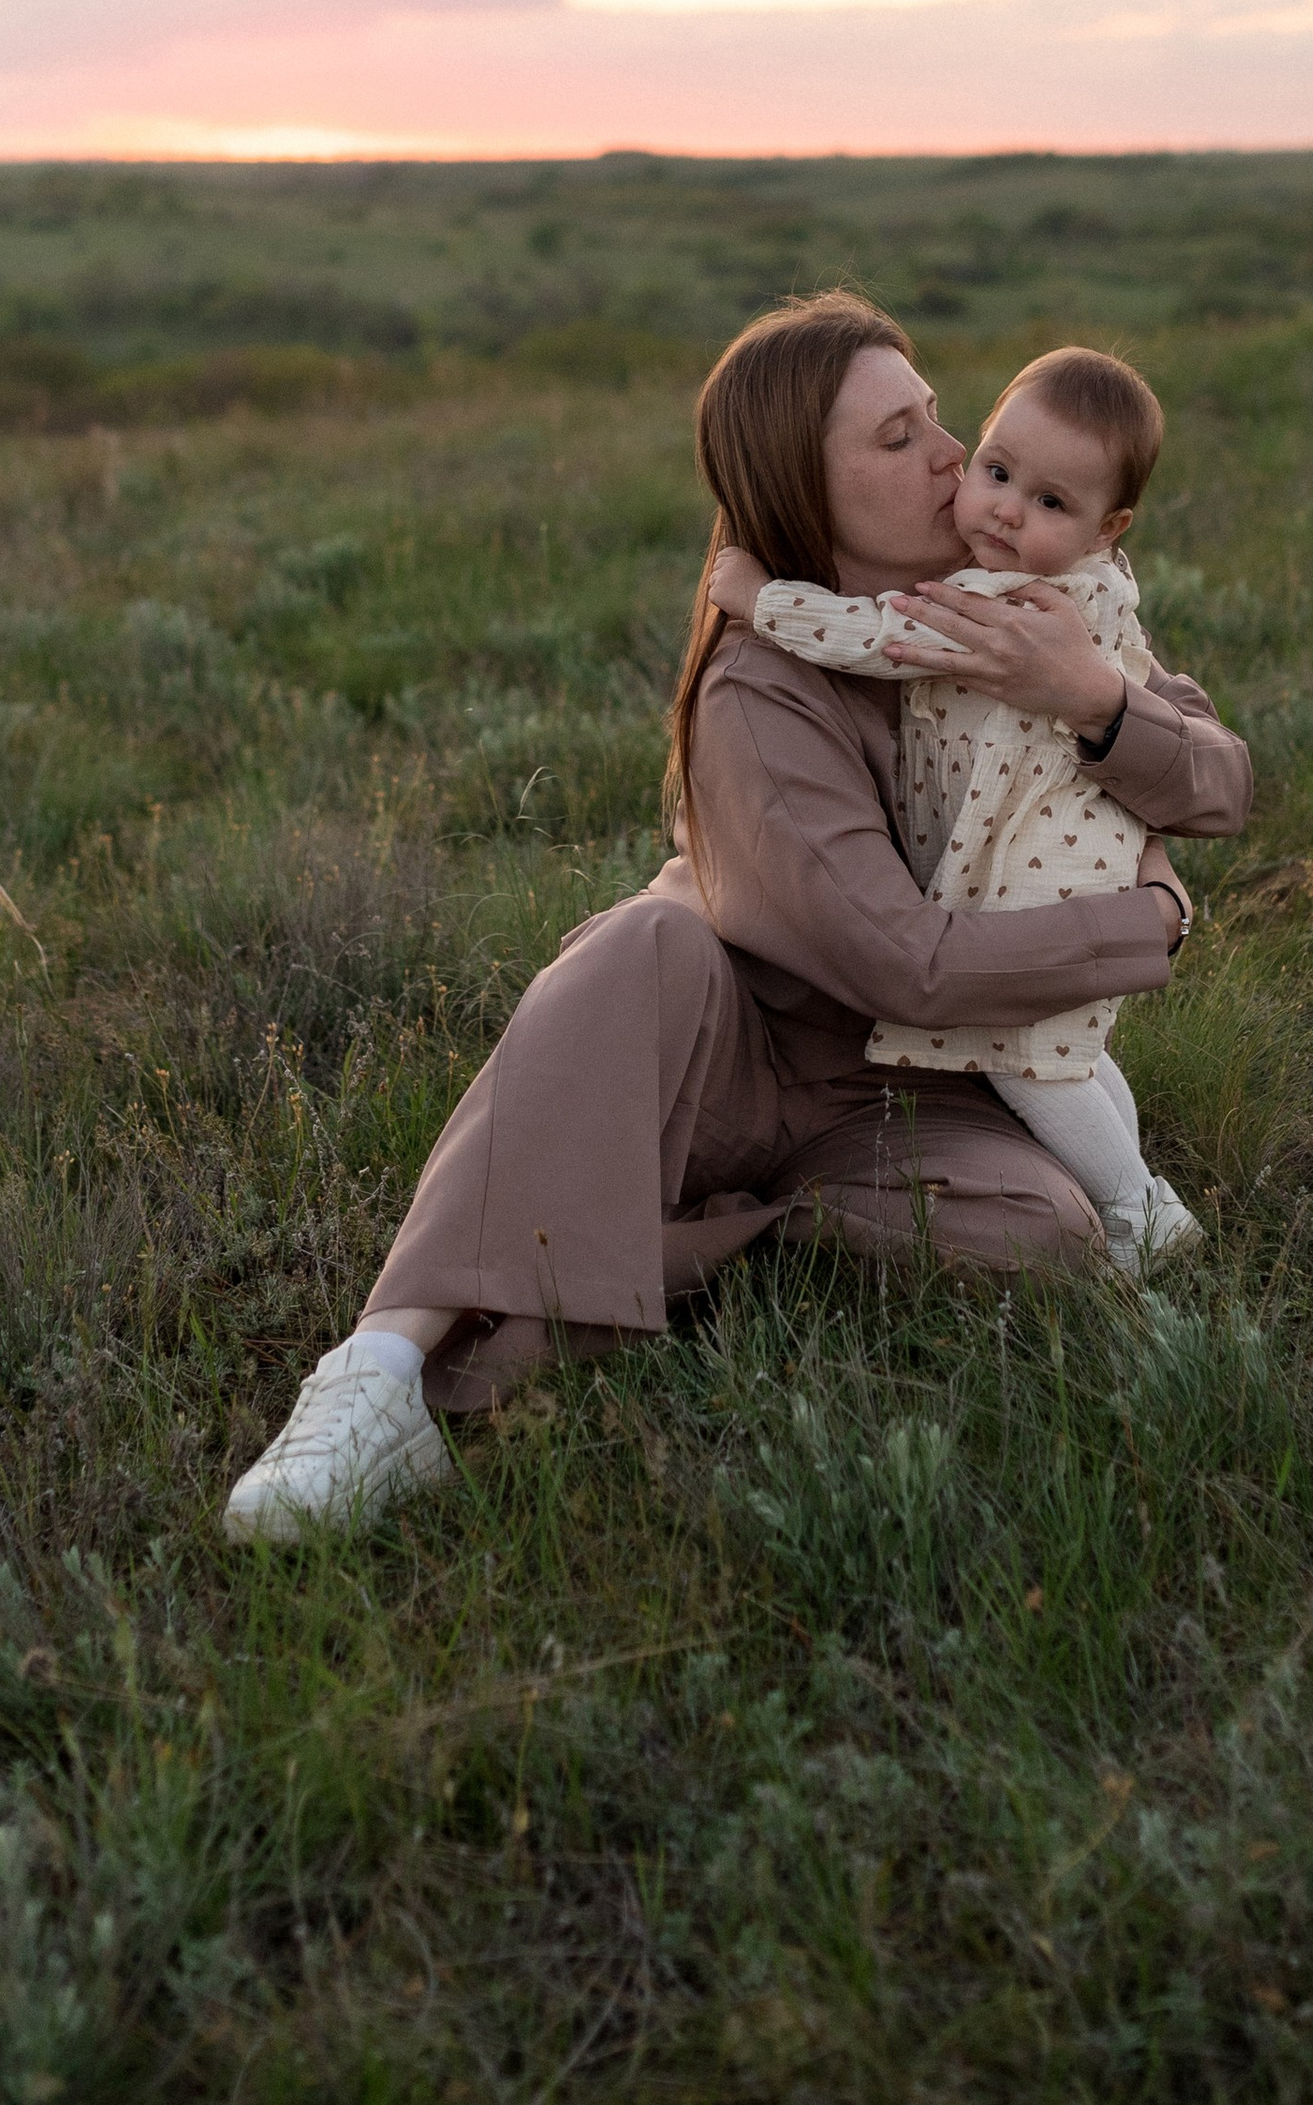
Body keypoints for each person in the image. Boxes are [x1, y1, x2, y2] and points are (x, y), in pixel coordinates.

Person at [222, 292, 1252, 1546]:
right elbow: (903, 962)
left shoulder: (1021, 606)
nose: (946, 455)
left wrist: (1092, 700)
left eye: (936, 418)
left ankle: (690, 1240)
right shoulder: (762, 686)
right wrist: (1150, 923)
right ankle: (376, 1377)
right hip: (737, 1050)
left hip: (910, 1087)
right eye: (895, 440)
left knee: (1052, 1236)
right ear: (801, 494)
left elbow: (1219, 779)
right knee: (639, 938)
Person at [715, 341, 1192, 1275]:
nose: (1007, 510)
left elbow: (877, 635)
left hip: (1036, 859)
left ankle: (1138, 1206)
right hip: (1071, 844)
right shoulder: (1102, 586)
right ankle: (1144, 1185)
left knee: (1018, 1052)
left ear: (1108, 525)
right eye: (997, 469)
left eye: (1049, 502)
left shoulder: (1000, 602)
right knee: (1068, 1047)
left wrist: (762, 599)